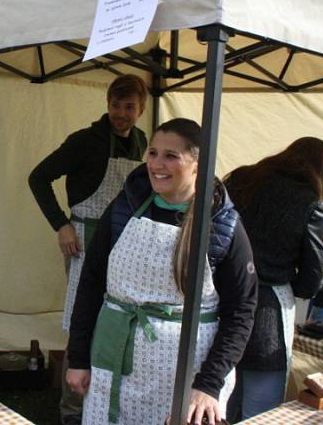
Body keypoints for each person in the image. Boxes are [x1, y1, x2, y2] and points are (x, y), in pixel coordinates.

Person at [66, 118, 258, 425]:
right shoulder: (125, 206)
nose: (157, 164)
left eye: (171, 156)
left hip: (186, 374)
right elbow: (90, 283)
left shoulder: (222, 225)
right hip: (114, 356)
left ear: (198, 163)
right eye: (153, 153)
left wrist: (209, 383)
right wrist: (77, 357)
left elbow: (242, 311)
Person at [28, 74, 148, 425]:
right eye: (115, 105)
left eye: (128, 107)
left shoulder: (141, 143)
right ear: (107, 104)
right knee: (83, 320)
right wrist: (61, 224)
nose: (120, 114)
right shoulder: (85, 141)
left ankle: (107, 401)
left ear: (140, 109)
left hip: (123, 241)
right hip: (83, 237)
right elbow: (38, 177)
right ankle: (72, 411)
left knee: (115, 319)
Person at [224, 137, 323, 421]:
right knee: (261, 412)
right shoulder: (311, 204)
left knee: (217, 403)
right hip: (267, 313)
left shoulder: (242, 178)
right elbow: (310, 281)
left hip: (223, 299)